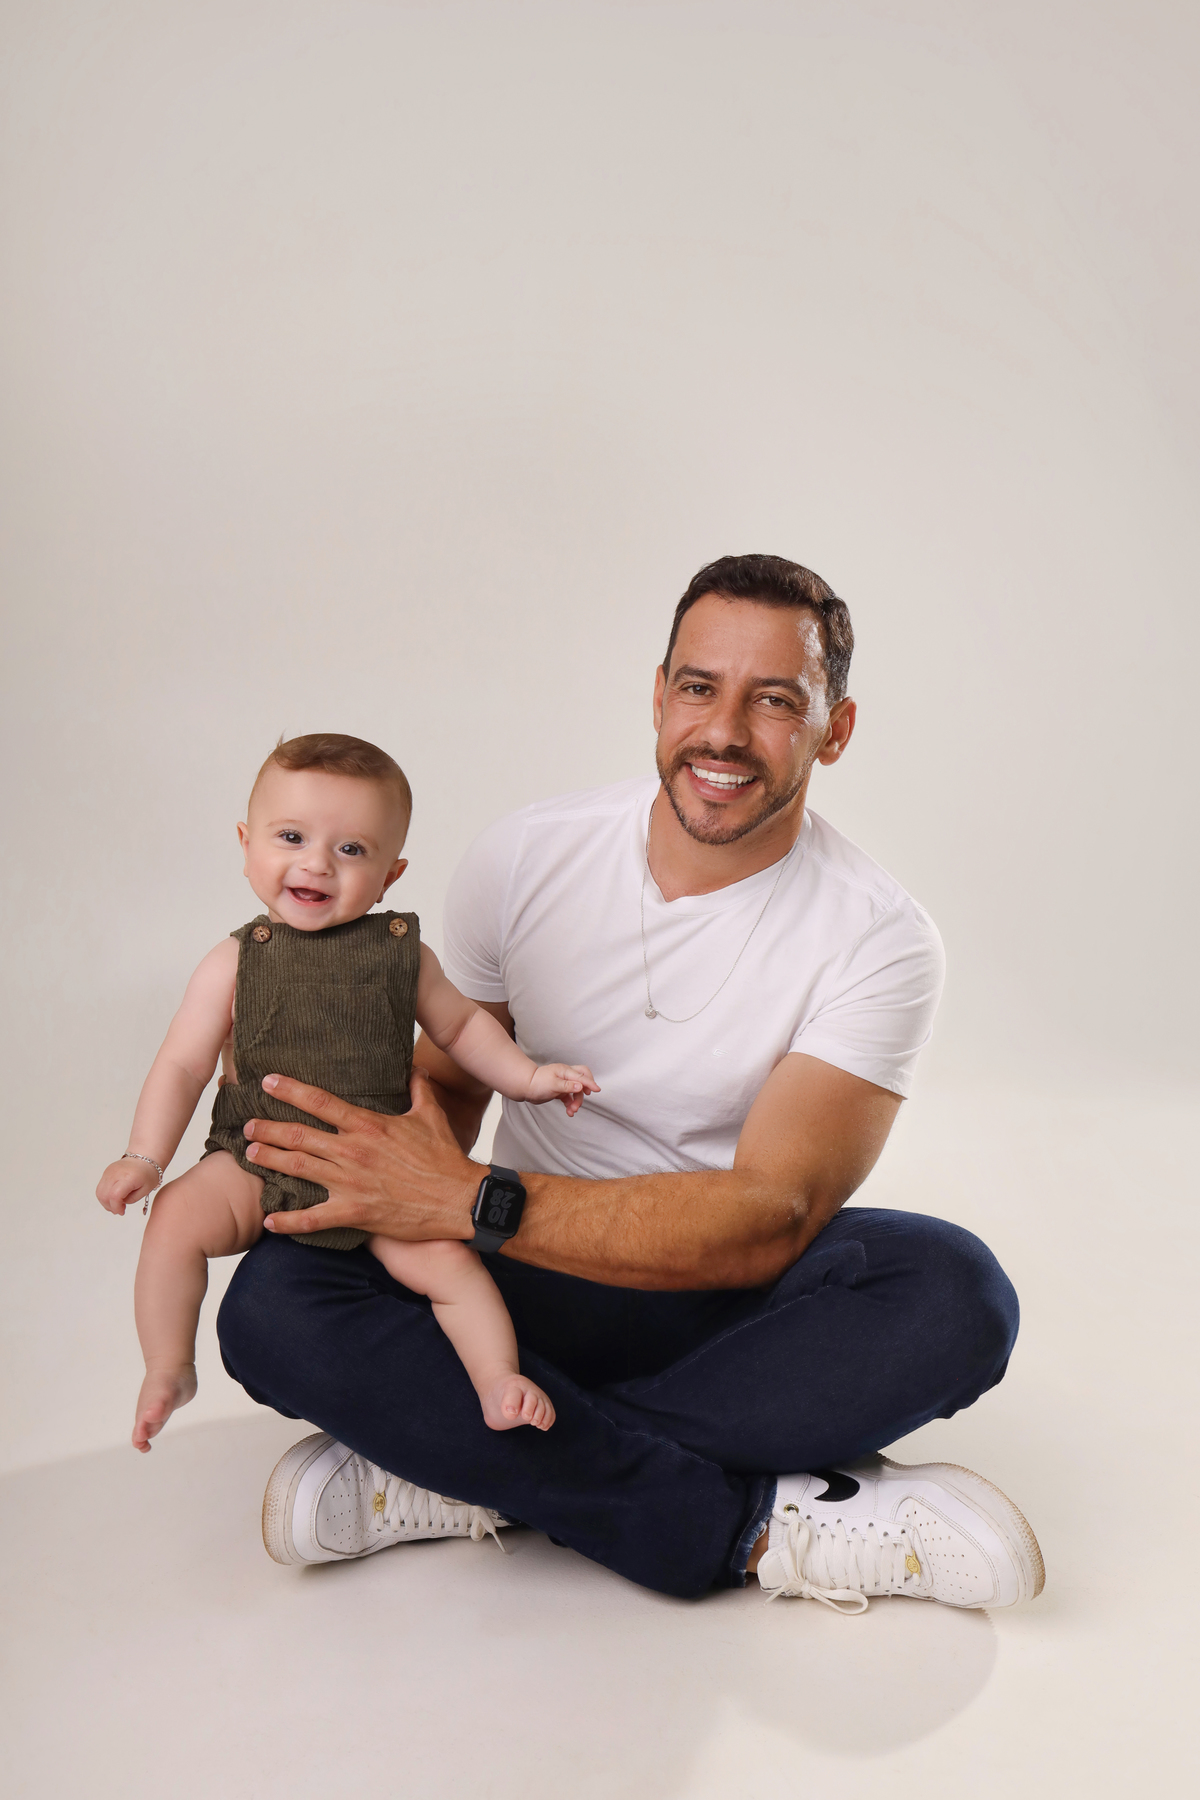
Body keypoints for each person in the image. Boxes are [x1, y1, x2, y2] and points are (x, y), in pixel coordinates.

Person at [217, 556, 1045, 1612]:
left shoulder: (880, 936)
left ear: (834, 731)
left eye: (775, 701)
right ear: (659, 697)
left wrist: (470, 1200)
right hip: (517, 1285)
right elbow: (441, 1097)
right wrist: (327, 1124)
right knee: (273, 1304)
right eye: (699, 687)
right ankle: (746, 1523)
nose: (724, 732)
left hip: (721, 1304)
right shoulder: (526, 855)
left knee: (953, 1295)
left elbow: (771, 1218)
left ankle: (459, 1461)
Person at [97, 733, 598, 1452]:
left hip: (380, 1172)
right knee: (174, 1216)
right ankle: (169, 1366)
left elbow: (463, 1027)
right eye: (291, 837)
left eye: (351, 849)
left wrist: (528, 1077)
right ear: (246, 845)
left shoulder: (402, 954)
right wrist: (144, 1156)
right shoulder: (234, 961)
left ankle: (497, 1381)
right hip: (254, 1159)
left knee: (452, 1269)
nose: (316, 864)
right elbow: (182, 1065)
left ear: (391, 874)